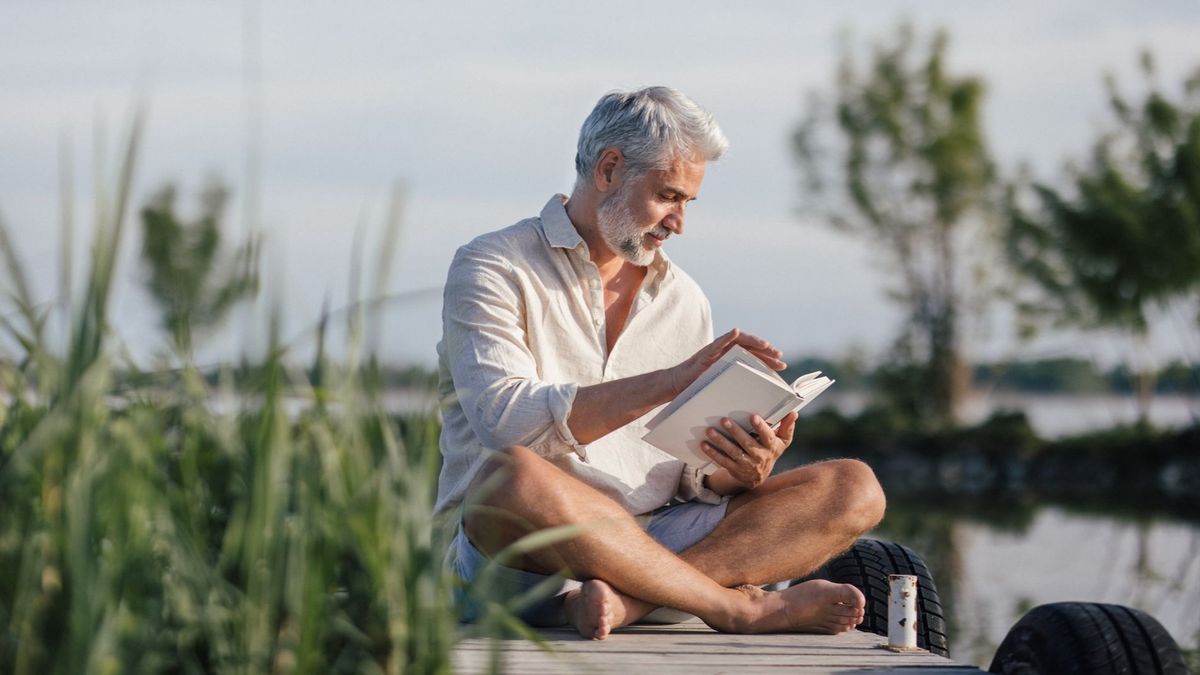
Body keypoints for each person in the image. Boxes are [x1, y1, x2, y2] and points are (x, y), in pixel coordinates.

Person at [435, 86, 886, 640]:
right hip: (521, 557)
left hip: (656, 546)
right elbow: (506, 422)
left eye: (687, 203)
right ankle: (735, 608)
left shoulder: (684, 299)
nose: (679, 223)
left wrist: (735, 468)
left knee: (854, 487)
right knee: (511, 475)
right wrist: (672, 381)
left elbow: (690, 478)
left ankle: (627, 604)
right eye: (669, 196)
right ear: (608, 169)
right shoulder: (492, 265)